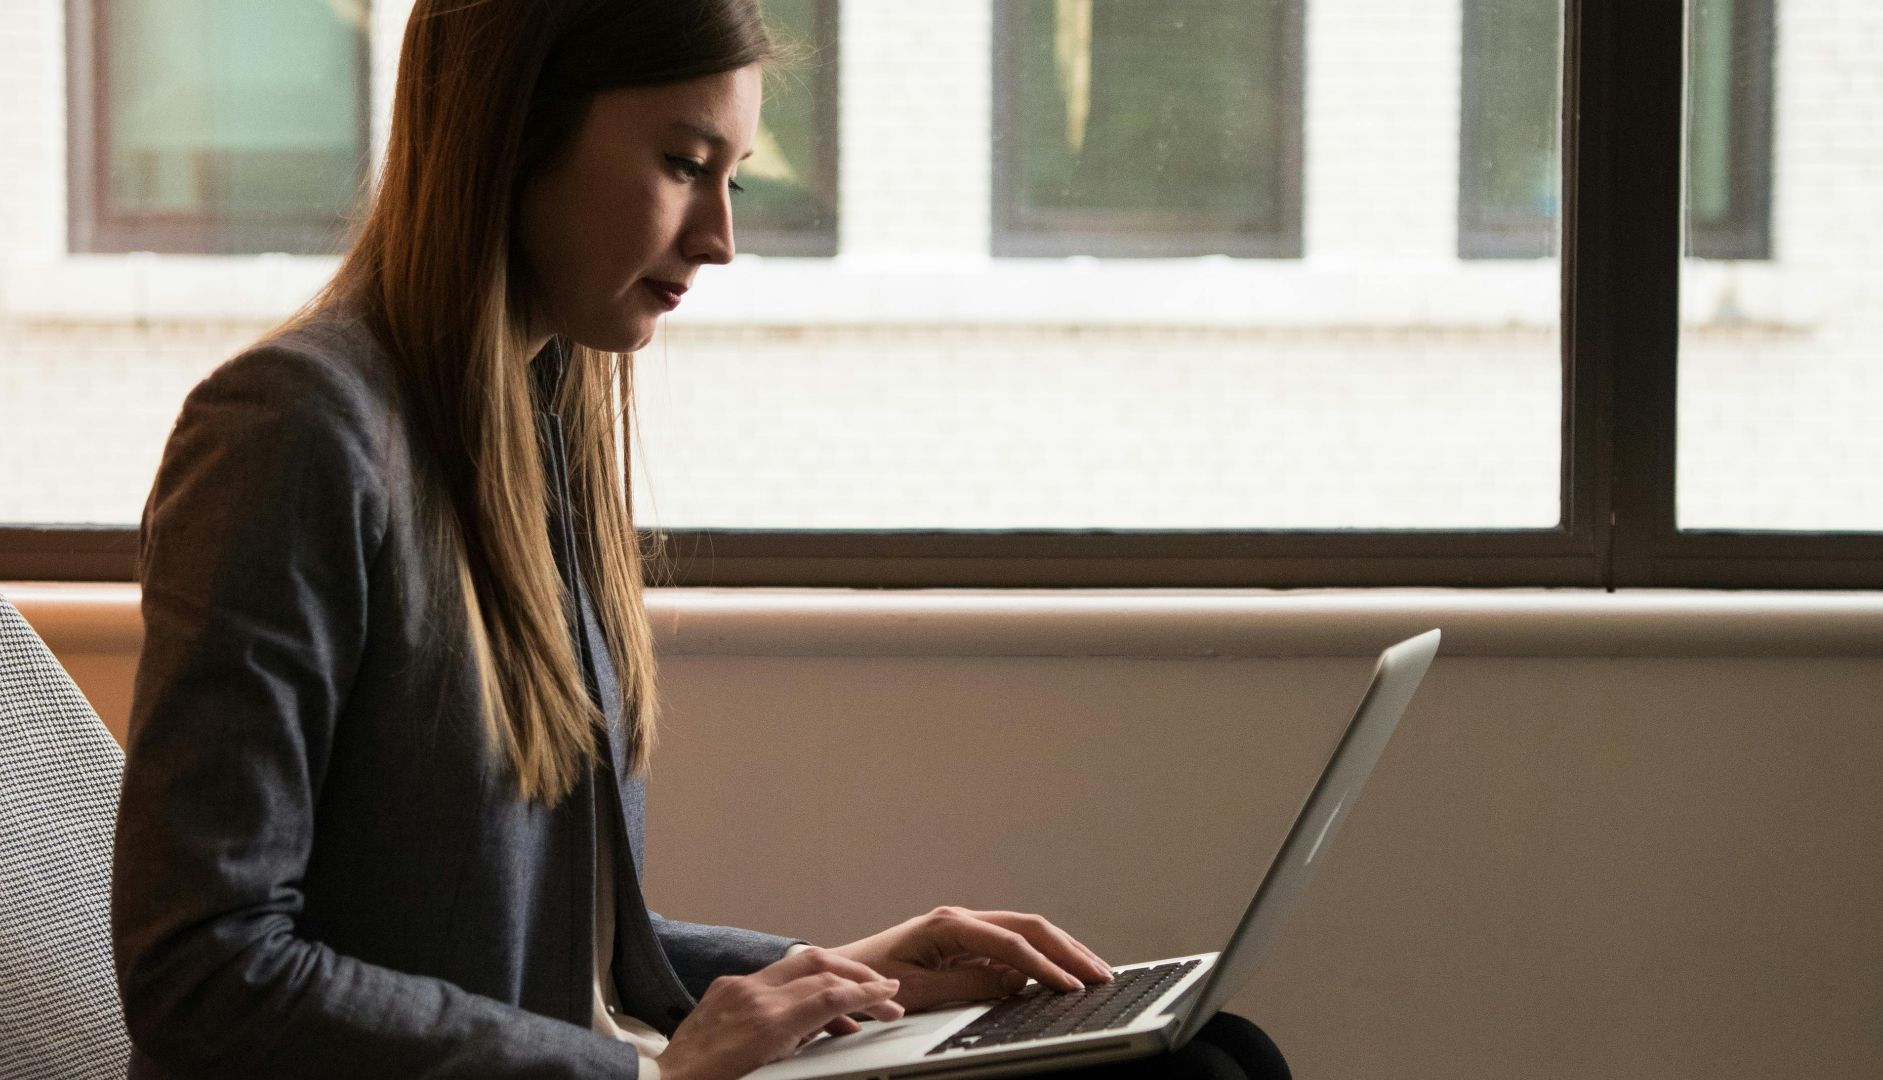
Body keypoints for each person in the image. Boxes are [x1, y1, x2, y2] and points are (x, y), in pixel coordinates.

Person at [108, 2, 1289, 1079]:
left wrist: (847, 973)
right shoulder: (290, 432)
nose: (721, 237)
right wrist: (651, 1076)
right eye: (682, 165)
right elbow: (204, 973)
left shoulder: (540, 415)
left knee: (1213, 1046)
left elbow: (553, 951)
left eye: (732, 175)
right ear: (510, 136)